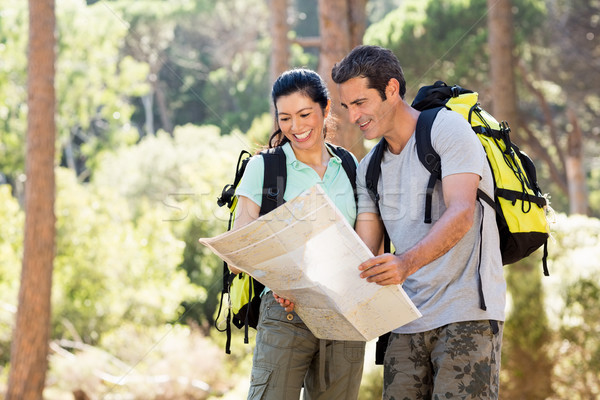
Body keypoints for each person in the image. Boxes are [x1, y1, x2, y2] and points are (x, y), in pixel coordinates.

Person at [331, 45, 506, 399]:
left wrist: (404, 263)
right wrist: (302, 290)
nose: (353, 116)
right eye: (346, 106)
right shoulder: (370, 169)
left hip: (466, 314)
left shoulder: (447, 129)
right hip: (404, 323)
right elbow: (364, 254)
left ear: (392, 90)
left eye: (361, 102)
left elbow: (461, 212)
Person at [231, 68, 365, 400]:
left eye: (305, 114)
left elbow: (363, 244)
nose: (296, 126)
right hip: (285, 307)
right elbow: (239, 250)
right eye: (285, 118)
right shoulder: (264, 168)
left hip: (344, 311)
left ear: (326, 109)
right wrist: (282, 279)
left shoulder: (350, 167)